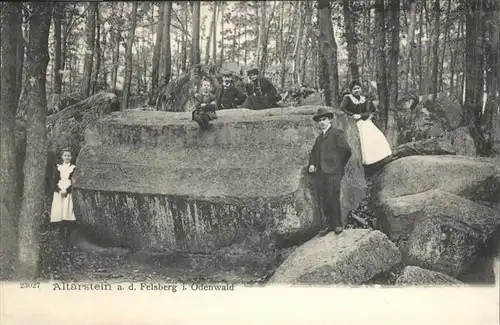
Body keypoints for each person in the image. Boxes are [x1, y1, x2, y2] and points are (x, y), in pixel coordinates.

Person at [308, 107, 352, 236]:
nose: (322, 122)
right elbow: (313, 153)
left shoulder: (336, 133)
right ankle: (328, 225)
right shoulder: (319, 138)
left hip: (334, 172)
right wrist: (312, 164)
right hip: (321, 172)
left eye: (324, 119)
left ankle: (337, 224)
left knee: (333, 196)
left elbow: (347, 150)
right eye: (320, 120)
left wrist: (338, 165)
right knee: (325, 198)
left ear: (330, 120)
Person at [339, 80, 392, 174]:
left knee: (375, 136)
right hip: (354, 122)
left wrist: (362, 115)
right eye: (354, 89)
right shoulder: (347, 98)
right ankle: (368, 163)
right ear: (351, 90)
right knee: (364, 139)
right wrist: (352, 115)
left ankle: (379, 159)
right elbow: (342, 108)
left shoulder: (364, 99)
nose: (357, 90)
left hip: (365, 121)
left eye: (358, 88)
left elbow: (370, 111)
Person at [50, 147, 77, 247]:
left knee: (68, 213)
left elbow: (74, 182)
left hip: (68, 192)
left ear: (71, 157)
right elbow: (53, 181)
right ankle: (60, 238)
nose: (67, 157)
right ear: (62, 156)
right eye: (65, 155)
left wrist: (67, 190)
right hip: (59, 192)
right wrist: (59, 190)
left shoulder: (73, 168)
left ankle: (68, 239)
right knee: (60, 213)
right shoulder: (58, 167)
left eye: (69, 155)